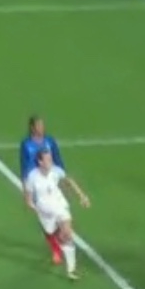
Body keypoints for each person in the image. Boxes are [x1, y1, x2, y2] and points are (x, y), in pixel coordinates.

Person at [24, 149, 91, 280]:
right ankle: (59, 242)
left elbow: (69, 181)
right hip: (45, 211)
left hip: (60, 205)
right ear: (40, 162)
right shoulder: (32, 176)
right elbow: (28, 195)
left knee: (67, 233)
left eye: (51, 159)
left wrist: (82, 196)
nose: (51, 161)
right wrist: (31, 205)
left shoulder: (56, 171)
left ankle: (71, 270)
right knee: (51, 233)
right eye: (48, 159)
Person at [19, 115, 67, 262]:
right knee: (45, 218)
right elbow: (24, 165)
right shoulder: (26, 144)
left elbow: (57, 159)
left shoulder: (50, 141)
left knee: (59, 212)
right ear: (32, 127)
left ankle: (59, 235)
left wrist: (62, 177)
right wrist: (25, 187)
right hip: (36, 184)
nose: (41, 128)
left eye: (42, 125)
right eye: (38, 125)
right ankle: (55, 249)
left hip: (51, 179)